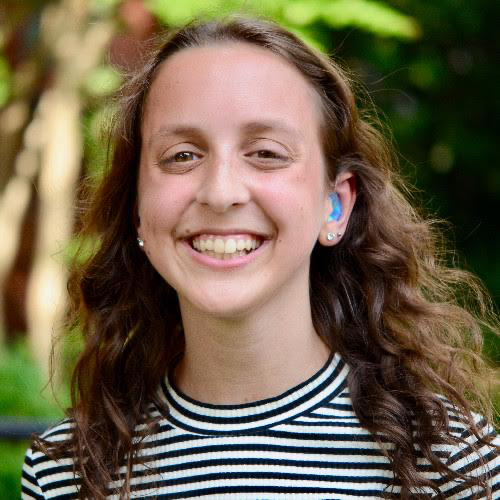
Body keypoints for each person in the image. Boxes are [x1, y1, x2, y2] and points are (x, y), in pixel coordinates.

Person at [21, 14, 499, 499]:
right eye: (182, 155)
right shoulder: (66, 472)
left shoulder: (453, 462)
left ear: (335, 206)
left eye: (266, 153)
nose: (220, 192)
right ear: (138, 211)